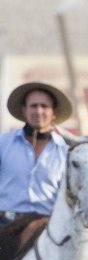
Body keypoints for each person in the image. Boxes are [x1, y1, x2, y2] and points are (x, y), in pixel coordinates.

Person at [0, 81, 73, 226]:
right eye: (33, 106)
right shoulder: (3, 144)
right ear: (24, 110)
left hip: (49, 227)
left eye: (44, 106)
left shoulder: (65, 151)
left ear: (53, 113)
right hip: (6, 225)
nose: (38, 111)